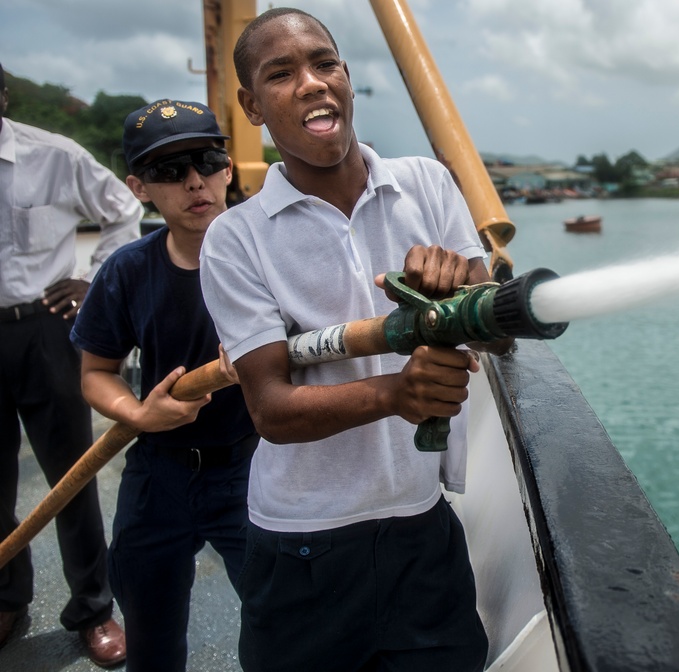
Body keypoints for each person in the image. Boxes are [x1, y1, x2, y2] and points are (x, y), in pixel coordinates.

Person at [199, 8, 491, 672]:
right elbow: (269, 408)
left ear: (348, 78)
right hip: (305, 546)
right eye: (281, 74)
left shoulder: (426, 183)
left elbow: (494, 329)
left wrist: (460, 294)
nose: (311, 83)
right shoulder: (236, 238)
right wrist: (397, 392)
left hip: (424, 527)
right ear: (251, 106)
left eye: (324, 63)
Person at [70, 99, 258, 672]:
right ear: (138, 187)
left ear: (228, 168)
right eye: (168, 171)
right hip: (159, 474)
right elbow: (97, 374)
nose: (194, 180)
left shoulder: (268, 256)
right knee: (150, 636)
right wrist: (138, 414)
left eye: (205, 159)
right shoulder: (128, 271)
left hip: (256, 467)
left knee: (282, 620)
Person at [0, 61, 137, 667]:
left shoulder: (51, 155)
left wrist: (90, 277)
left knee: (71, 474)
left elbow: (123, 210)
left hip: (43, 330)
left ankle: (92, 607)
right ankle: (8, 597)